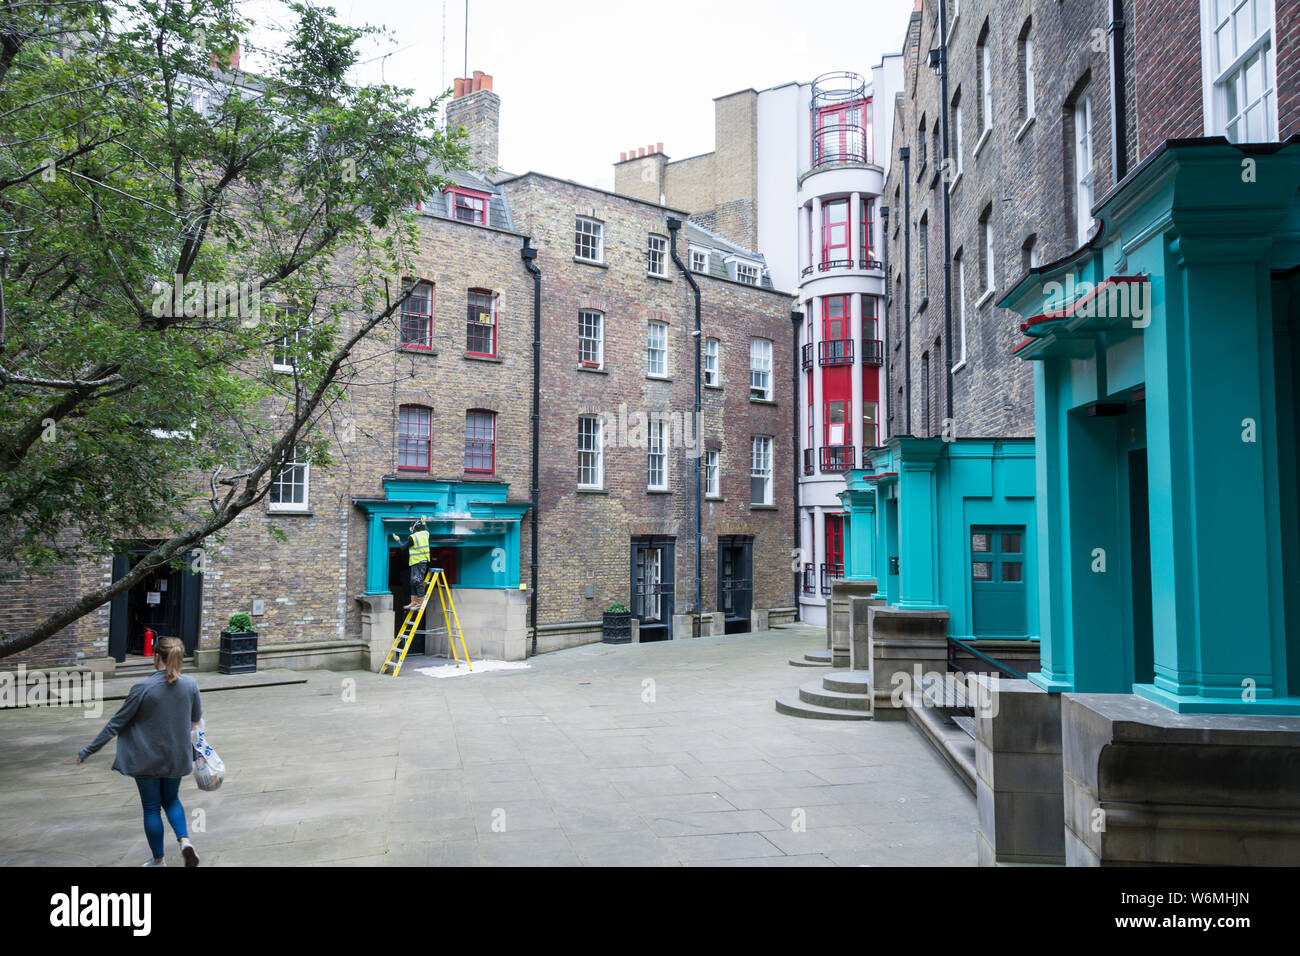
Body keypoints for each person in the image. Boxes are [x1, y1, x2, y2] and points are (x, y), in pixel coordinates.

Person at [78, 636, 203, 867]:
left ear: (156, 657)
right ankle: (185, 841)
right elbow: (196, 721)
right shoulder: (190, 685)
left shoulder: (143, 688)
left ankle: (159, 861)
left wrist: (88, 750)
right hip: (177, 756)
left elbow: (117, 723)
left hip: (146, 759)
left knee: (151, 807)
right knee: (172, 799)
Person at [391, 518, 431, 611]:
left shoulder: (412, 537)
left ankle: (420, 604)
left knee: (418, 581)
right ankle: (413, 602)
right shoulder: (425, 533)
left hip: (419, 562)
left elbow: (403, 548)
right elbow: (427, 530)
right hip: (417, 562)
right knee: (412, 582)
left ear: (413, 528)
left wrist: (398, 540)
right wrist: (424, 523)